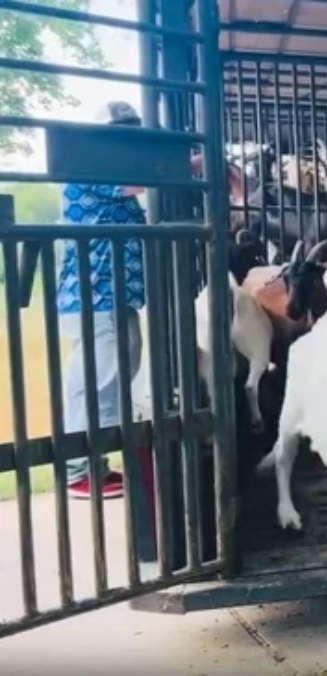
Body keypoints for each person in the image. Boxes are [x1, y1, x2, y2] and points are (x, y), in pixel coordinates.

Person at [56, 100, 147, 500]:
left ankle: (96, 463)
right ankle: (80, 469)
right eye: (119, 129)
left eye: (131, 129)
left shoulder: (114, 169)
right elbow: (143, 181)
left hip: (115, 294)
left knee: (120, 366)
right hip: (96, 295)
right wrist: (195, 165)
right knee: (97, 378)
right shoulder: (90, 165)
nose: (126, 137)